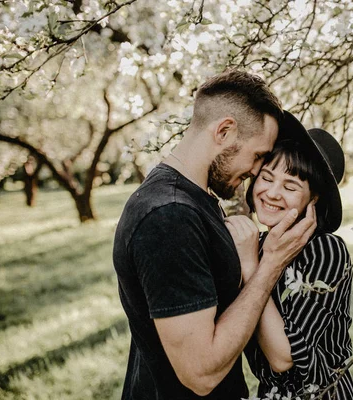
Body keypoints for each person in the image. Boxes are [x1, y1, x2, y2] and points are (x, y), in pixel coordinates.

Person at [112, 70, 317, 399]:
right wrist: (270, 265)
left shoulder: (194, 200)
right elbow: (201, 372)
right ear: (224, 131)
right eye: (258, 155)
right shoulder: (169, 217)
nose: (256, 171)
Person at [225, 127, 353, 399]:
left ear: (313, 198)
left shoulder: (325, 251)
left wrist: (253, 267)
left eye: (290, 186)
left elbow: (283, 357)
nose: (273, 193)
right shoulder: (255, 244)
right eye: (267, 177)